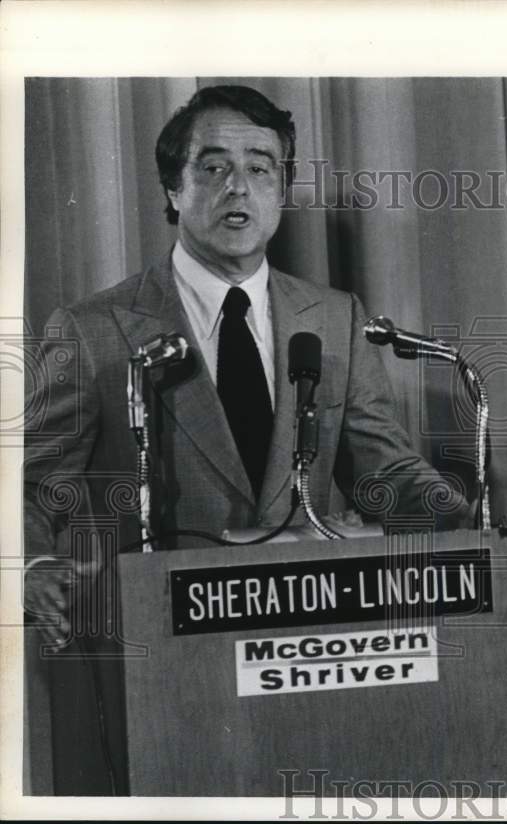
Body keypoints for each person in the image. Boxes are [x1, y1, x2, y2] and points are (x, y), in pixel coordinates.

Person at [21, 85, 471, 792]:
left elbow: (383, 470)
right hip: (159, 661)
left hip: (304, 650)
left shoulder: (333, 317)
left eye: (261, 167)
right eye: (213, 167)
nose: (239, 187)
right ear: (173, 189)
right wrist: (33, 562)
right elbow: (29, 486)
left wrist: (463, 522)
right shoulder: (93, 329)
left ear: (282, 192)